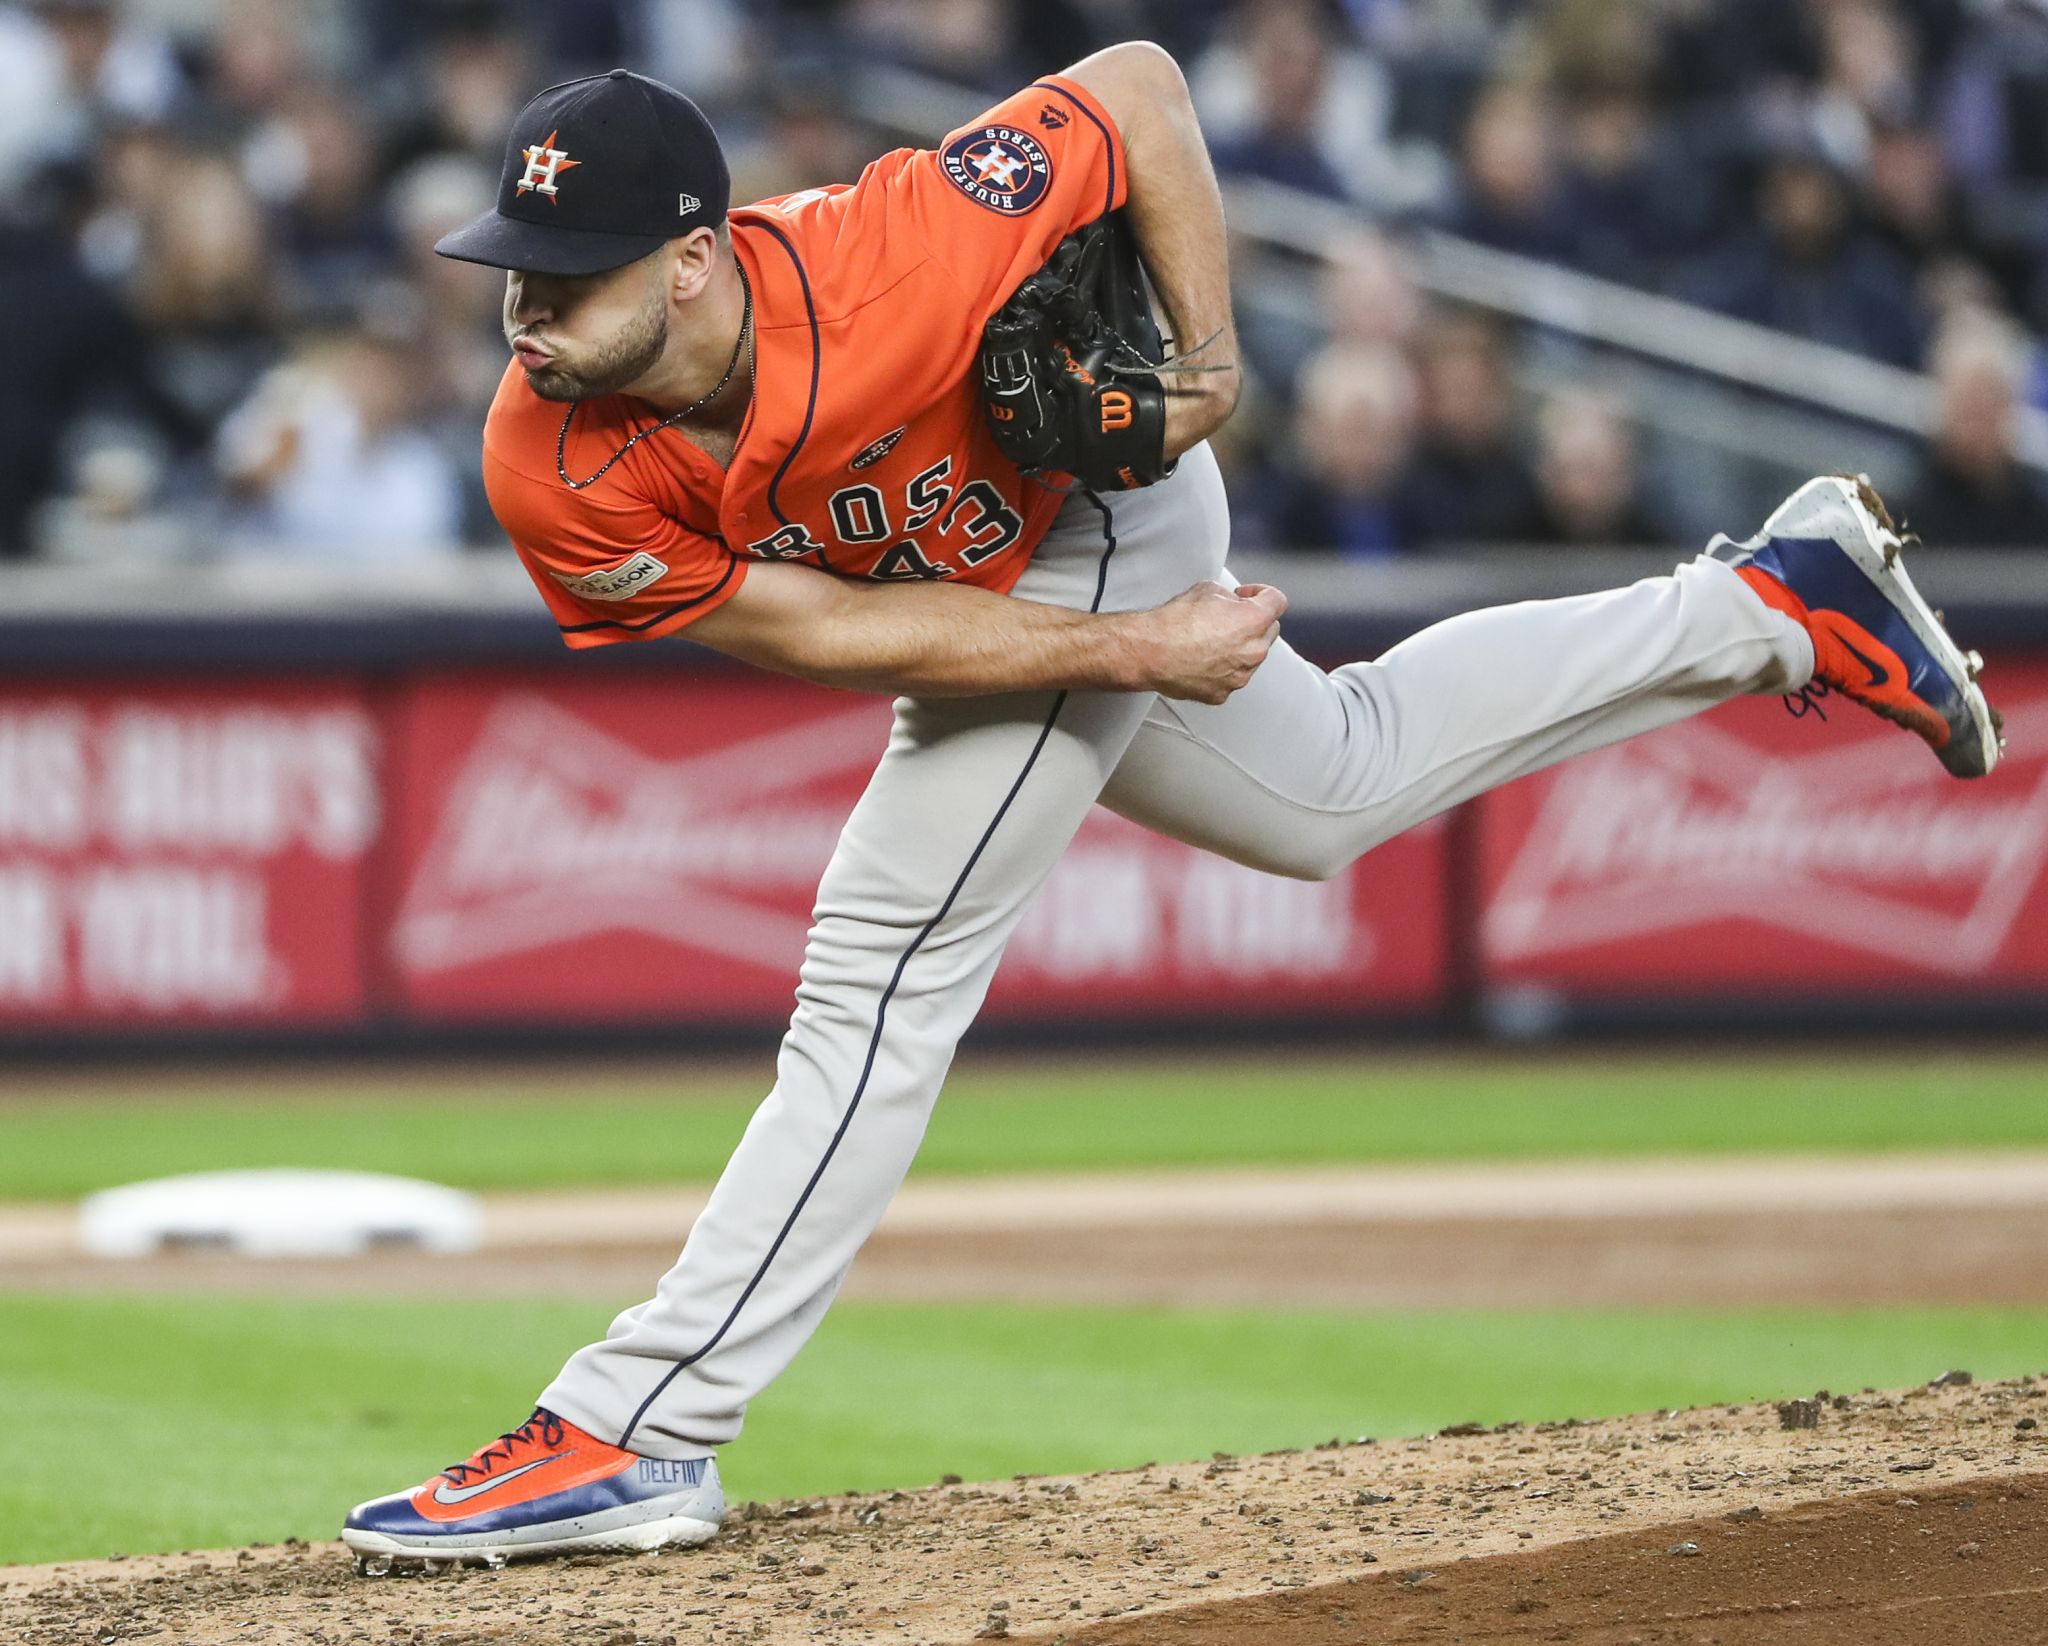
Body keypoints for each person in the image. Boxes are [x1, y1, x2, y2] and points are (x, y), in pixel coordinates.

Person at [340, 49, 2002, 1569]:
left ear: (693, 258)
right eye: (515, 268)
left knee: (882, 961)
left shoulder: (901, 250)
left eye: (567, 273)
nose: (524, 307)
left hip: (1104, 506)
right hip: (1004, 584)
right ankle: (1779, 603)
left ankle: (644, 1425)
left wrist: (1205, 368)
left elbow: (1136, 89)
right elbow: (817, 628)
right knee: (1331, 782)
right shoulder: (544, 451)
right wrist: (1140, 659)